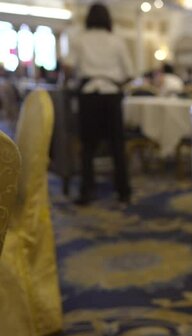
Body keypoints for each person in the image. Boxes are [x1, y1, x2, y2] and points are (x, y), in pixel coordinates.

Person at [64, 2, 134, 205]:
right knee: (117, 145)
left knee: (88, 146)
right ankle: (123, 192)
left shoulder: (79, 39)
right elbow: (129, 73)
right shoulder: (117, 41)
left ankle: (87, 191)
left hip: (89, 96)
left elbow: (68, 67)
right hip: (112, 95)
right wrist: (113, 81)